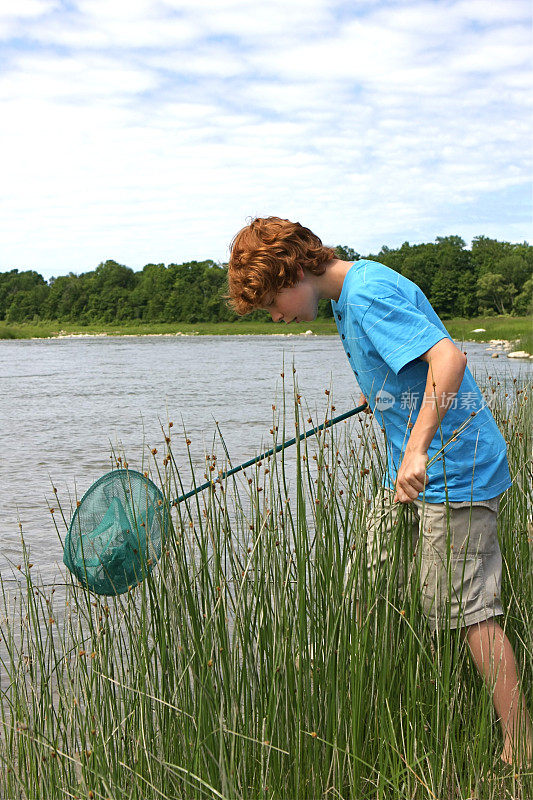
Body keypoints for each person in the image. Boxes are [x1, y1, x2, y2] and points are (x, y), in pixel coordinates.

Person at [227, 215, 532, 770]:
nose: (276, 315)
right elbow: (414, 365)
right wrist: (387, 395)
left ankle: (522, 744)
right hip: (422, 477)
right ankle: (401, 705)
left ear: (294, 270)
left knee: (469, 612)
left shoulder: (367, 294)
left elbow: (450, 360)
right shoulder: (347, 299)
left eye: (273, 301)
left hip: (455, 471)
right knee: (372, 578)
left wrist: (415, 448)